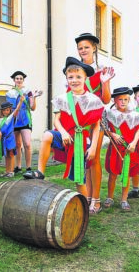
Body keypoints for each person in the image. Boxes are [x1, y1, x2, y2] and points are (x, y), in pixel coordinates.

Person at [23, 57, 104, 198]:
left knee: (79, 180)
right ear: (67, 79)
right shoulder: (62, 98)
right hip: (65, 137)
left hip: (81, 142)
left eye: (78, 76)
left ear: (85, 78)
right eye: (70, 77)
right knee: (47, 135)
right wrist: (63, 133)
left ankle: (84, 208)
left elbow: (96, 126)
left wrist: (93, 146)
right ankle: (40, 172)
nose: (74, 80)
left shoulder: (93, 100)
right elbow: (57, 120)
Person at [74, 33, 115, 213]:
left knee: (94, 158)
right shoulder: (76, 71)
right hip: (80, 121)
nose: (83, 50)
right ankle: (88, 197)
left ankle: (96, 200)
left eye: (86, 47)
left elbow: (106, 100)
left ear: (94, 48)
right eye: (80, 48)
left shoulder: (101, 69)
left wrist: (105, 83)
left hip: (96, 120)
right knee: (85, 160)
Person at [103, 87, 139, 211]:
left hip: (129, 149)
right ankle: (110, 197)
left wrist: (133, 143)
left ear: (129, 100)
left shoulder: (135, 114)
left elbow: (138, 130)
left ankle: (124, 200)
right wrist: (112, 134)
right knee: (113, 174)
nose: (123, 102)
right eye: (120, 99)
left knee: (127, 174)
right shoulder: (109, 114)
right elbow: (104, 129)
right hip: (115, 149)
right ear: (115, 100)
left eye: (125, 99)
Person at [5, 71, 42, 175]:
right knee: (17, 144)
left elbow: (33, 108)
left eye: (21, 78)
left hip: (25, 119)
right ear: (14, 80)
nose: (19, 80)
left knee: (27, 143)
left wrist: (34, 97)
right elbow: (9, 108)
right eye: (17, 78)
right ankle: (18, 166)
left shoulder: (28, 91)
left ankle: (29, 167)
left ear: (23, 80)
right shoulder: (10, 93)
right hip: (15, 120)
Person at [0, 98, 24, 178]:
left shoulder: (11, 118)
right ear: (2, 111)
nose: (6, 112)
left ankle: (11, 172)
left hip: (10, 139)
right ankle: (7, 171)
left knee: (11, 154)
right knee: (6, 155)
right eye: (4, 110)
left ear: (10, 111)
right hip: (3, 139)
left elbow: (17, 110)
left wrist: (21, 101)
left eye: (8, 110)